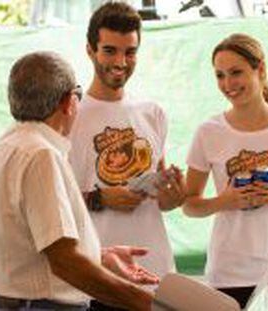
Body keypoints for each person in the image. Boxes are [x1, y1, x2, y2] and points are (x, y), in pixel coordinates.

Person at [0, 51, 160, 311]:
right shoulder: (41, 155)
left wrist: (100, 255)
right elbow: (64, 262)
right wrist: (150, 304)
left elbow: (31, 245)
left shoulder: (4, 147)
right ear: (69, 101)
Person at [183, 33, 268, 308]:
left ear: (261, 70)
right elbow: (189, 204)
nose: (227, 84)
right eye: (220, 75)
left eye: (236, 72)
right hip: (229, 272)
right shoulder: (209, 132)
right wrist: (225, 201)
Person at [68, 2, 186, 310]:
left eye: (130, 52)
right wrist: (101, 198)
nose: (120, 62)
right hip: (97, 281)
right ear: (90, 50)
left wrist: (172, 196)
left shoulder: (153, 113)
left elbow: (162, 198)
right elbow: (50, 201)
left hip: (156, 275)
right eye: (110, 51)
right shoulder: (69, 115)